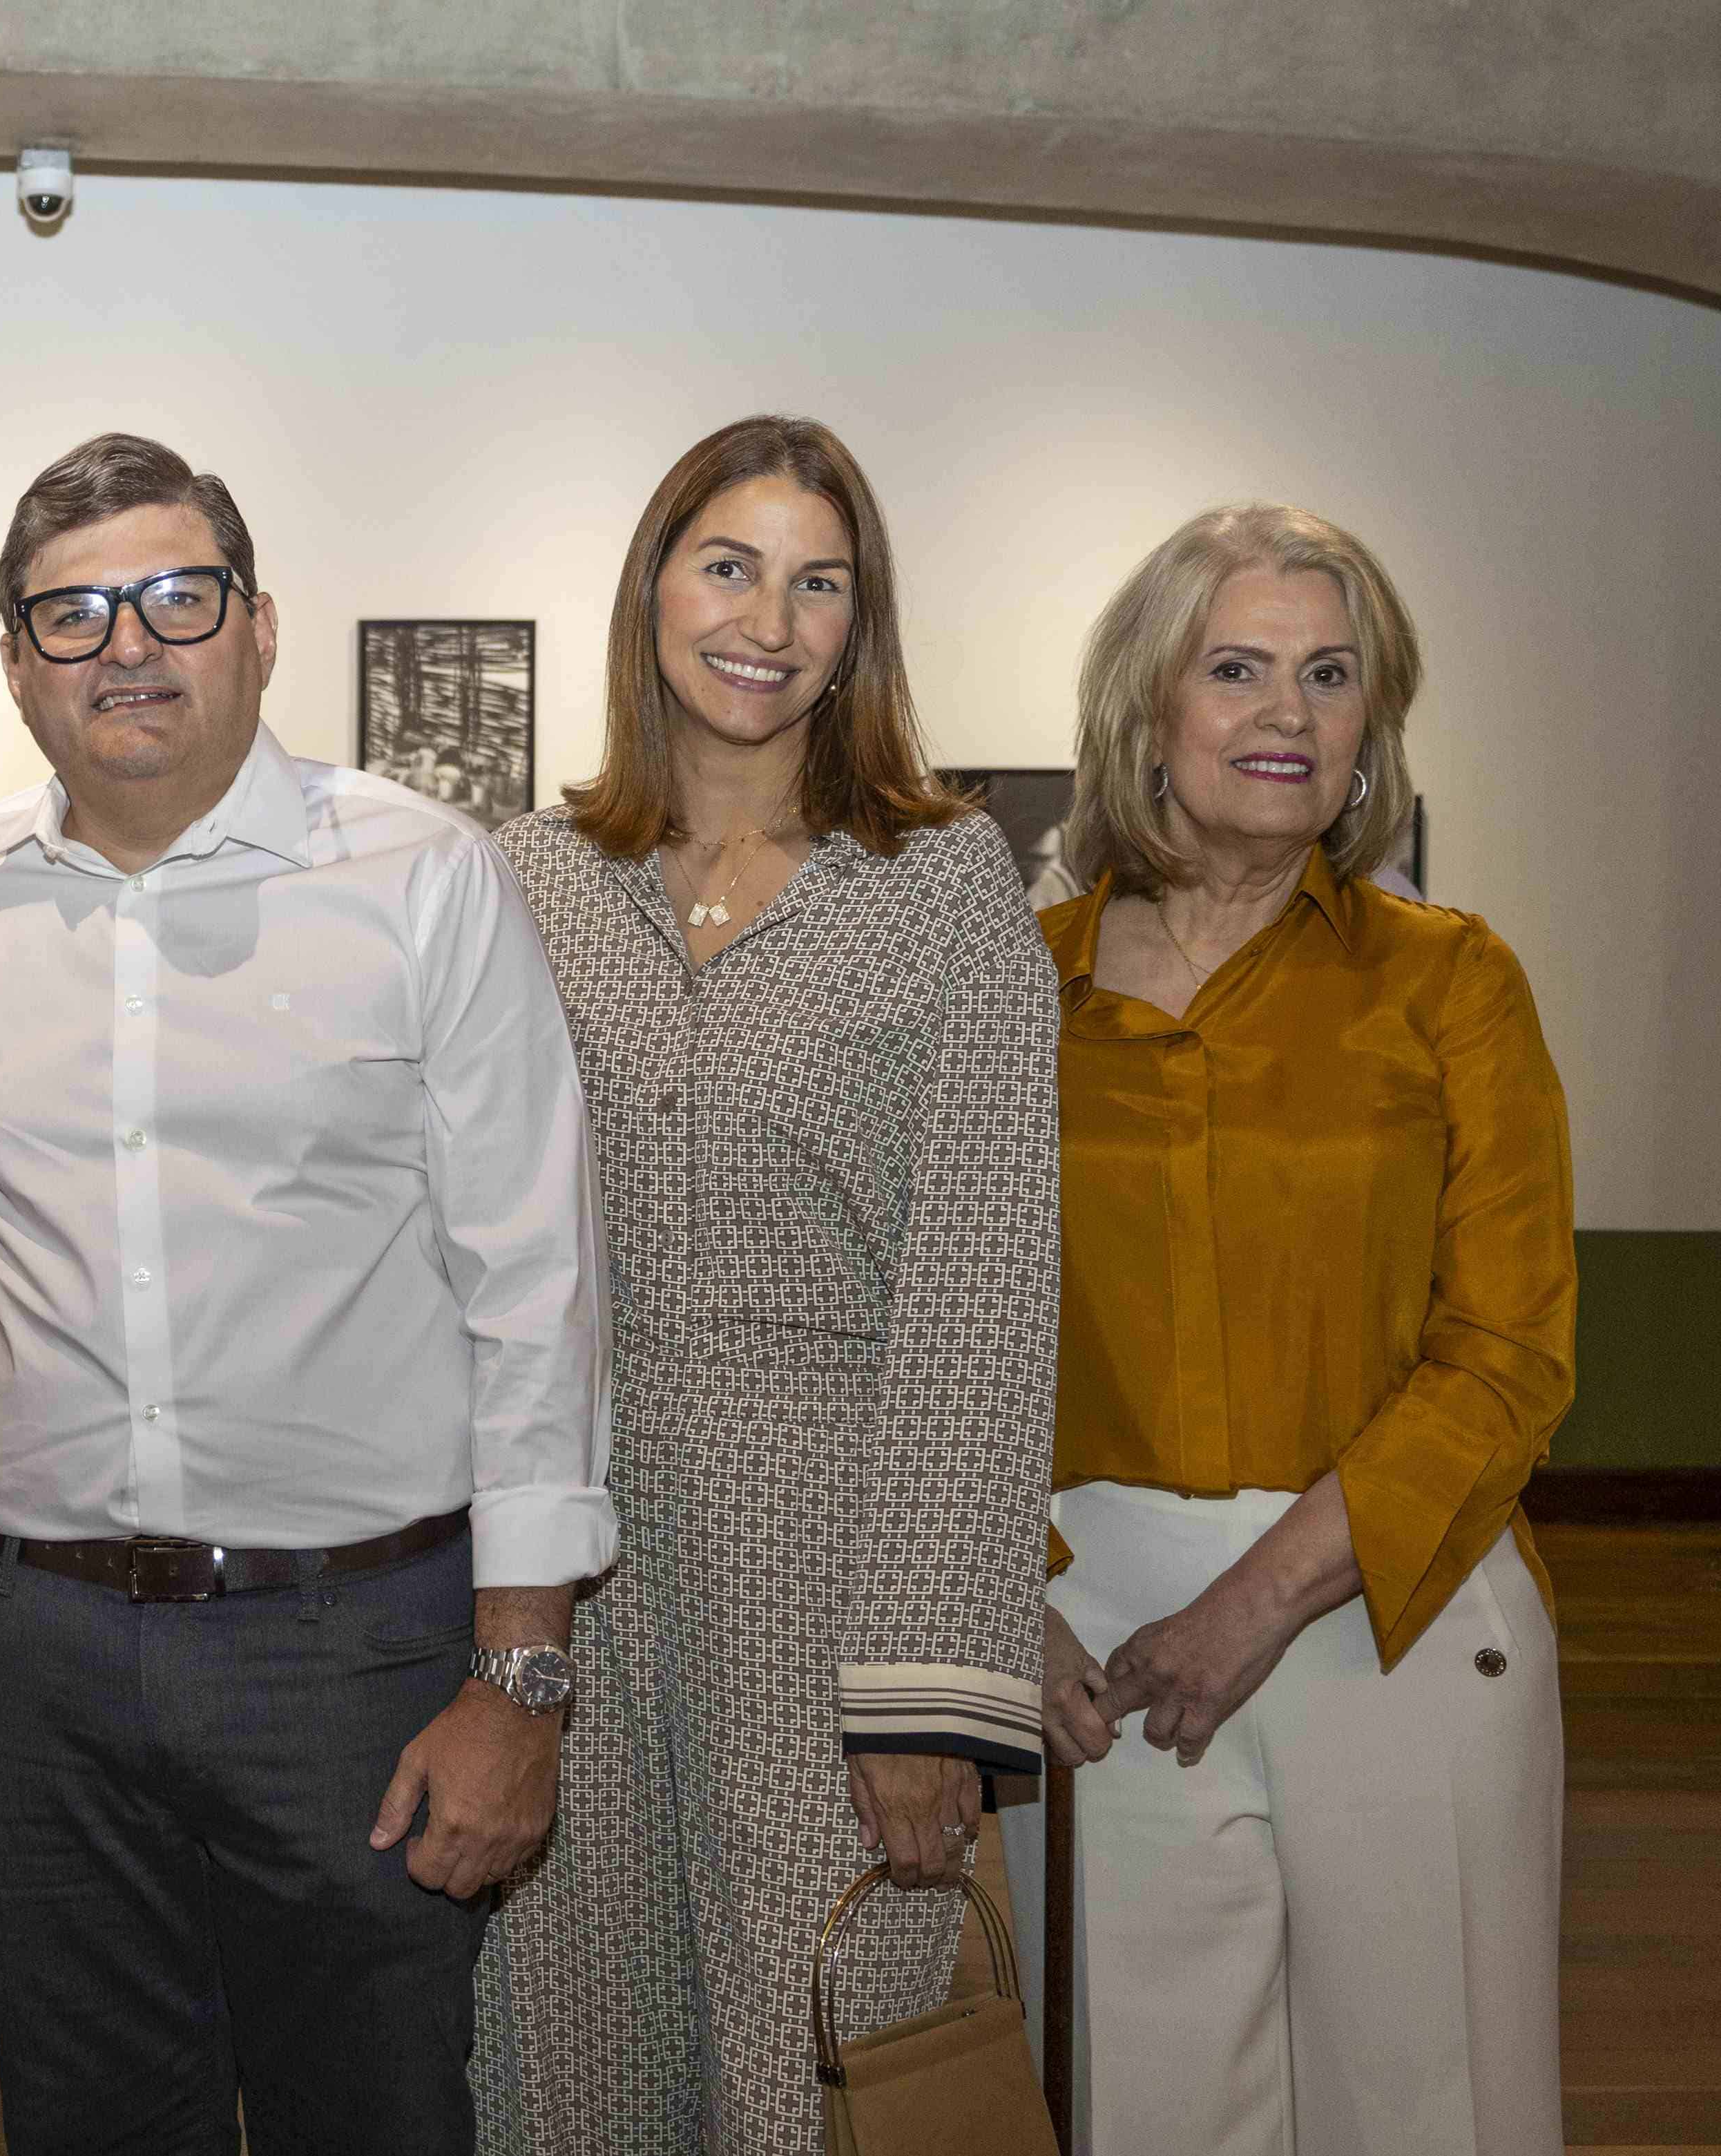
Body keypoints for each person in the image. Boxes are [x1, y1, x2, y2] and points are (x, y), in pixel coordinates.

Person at [0, 432, 616, 2156]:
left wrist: (520, 1675)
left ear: (259, 627)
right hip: (31, 1664)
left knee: (371, 2118)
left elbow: (531, 1281)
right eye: (71, 613)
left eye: (172, 596)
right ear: (14, 665)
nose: (125, 644)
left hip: (350, 1656)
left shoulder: (422, 875)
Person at [475, 414, 1061, 2155]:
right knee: (570, 2052)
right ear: (653, 586)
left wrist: (929, 1693)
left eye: (820, 582)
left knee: (828, 2053)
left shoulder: (947, 887)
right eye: (729, 564)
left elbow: (978, 1302)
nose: (768, 617)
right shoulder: (525, 880)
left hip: (833, 1573)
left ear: (856, 628)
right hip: (564, 1568)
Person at [1030, 503, 1571, 2153]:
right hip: (1086, 1648)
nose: (1287, 711)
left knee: (1426, 2107)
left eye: (1329, 674)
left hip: (1390, 1602)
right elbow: (926, 1337)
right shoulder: (1008, 983)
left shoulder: (1450, 981)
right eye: (1238, 667)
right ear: (1146, 707)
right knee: (1138, 2108)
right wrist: (983, 1594)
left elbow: (1504, 1354)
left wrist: (1251, 1602)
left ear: (1367, 726)